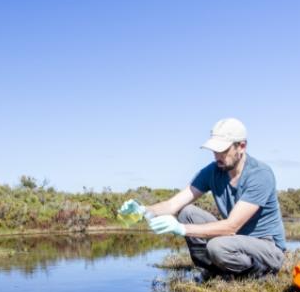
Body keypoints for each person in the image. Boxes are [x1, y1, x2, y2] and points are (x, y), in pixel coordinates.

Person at [119, 118, 286, 279]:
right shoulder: (213, 171)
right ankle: (213, 270)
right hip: (235, 241)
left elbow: (231, 226)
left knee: (217, 246)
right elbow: (173, 205)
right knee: (187, 213)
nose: (217, 156)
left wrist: (181, 229)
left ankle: (256, 273)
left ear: (241, 146)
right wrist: (143, 210)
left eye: (223, 150)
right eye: (215, 150)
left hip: (267, 247)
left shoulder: (260, 174)